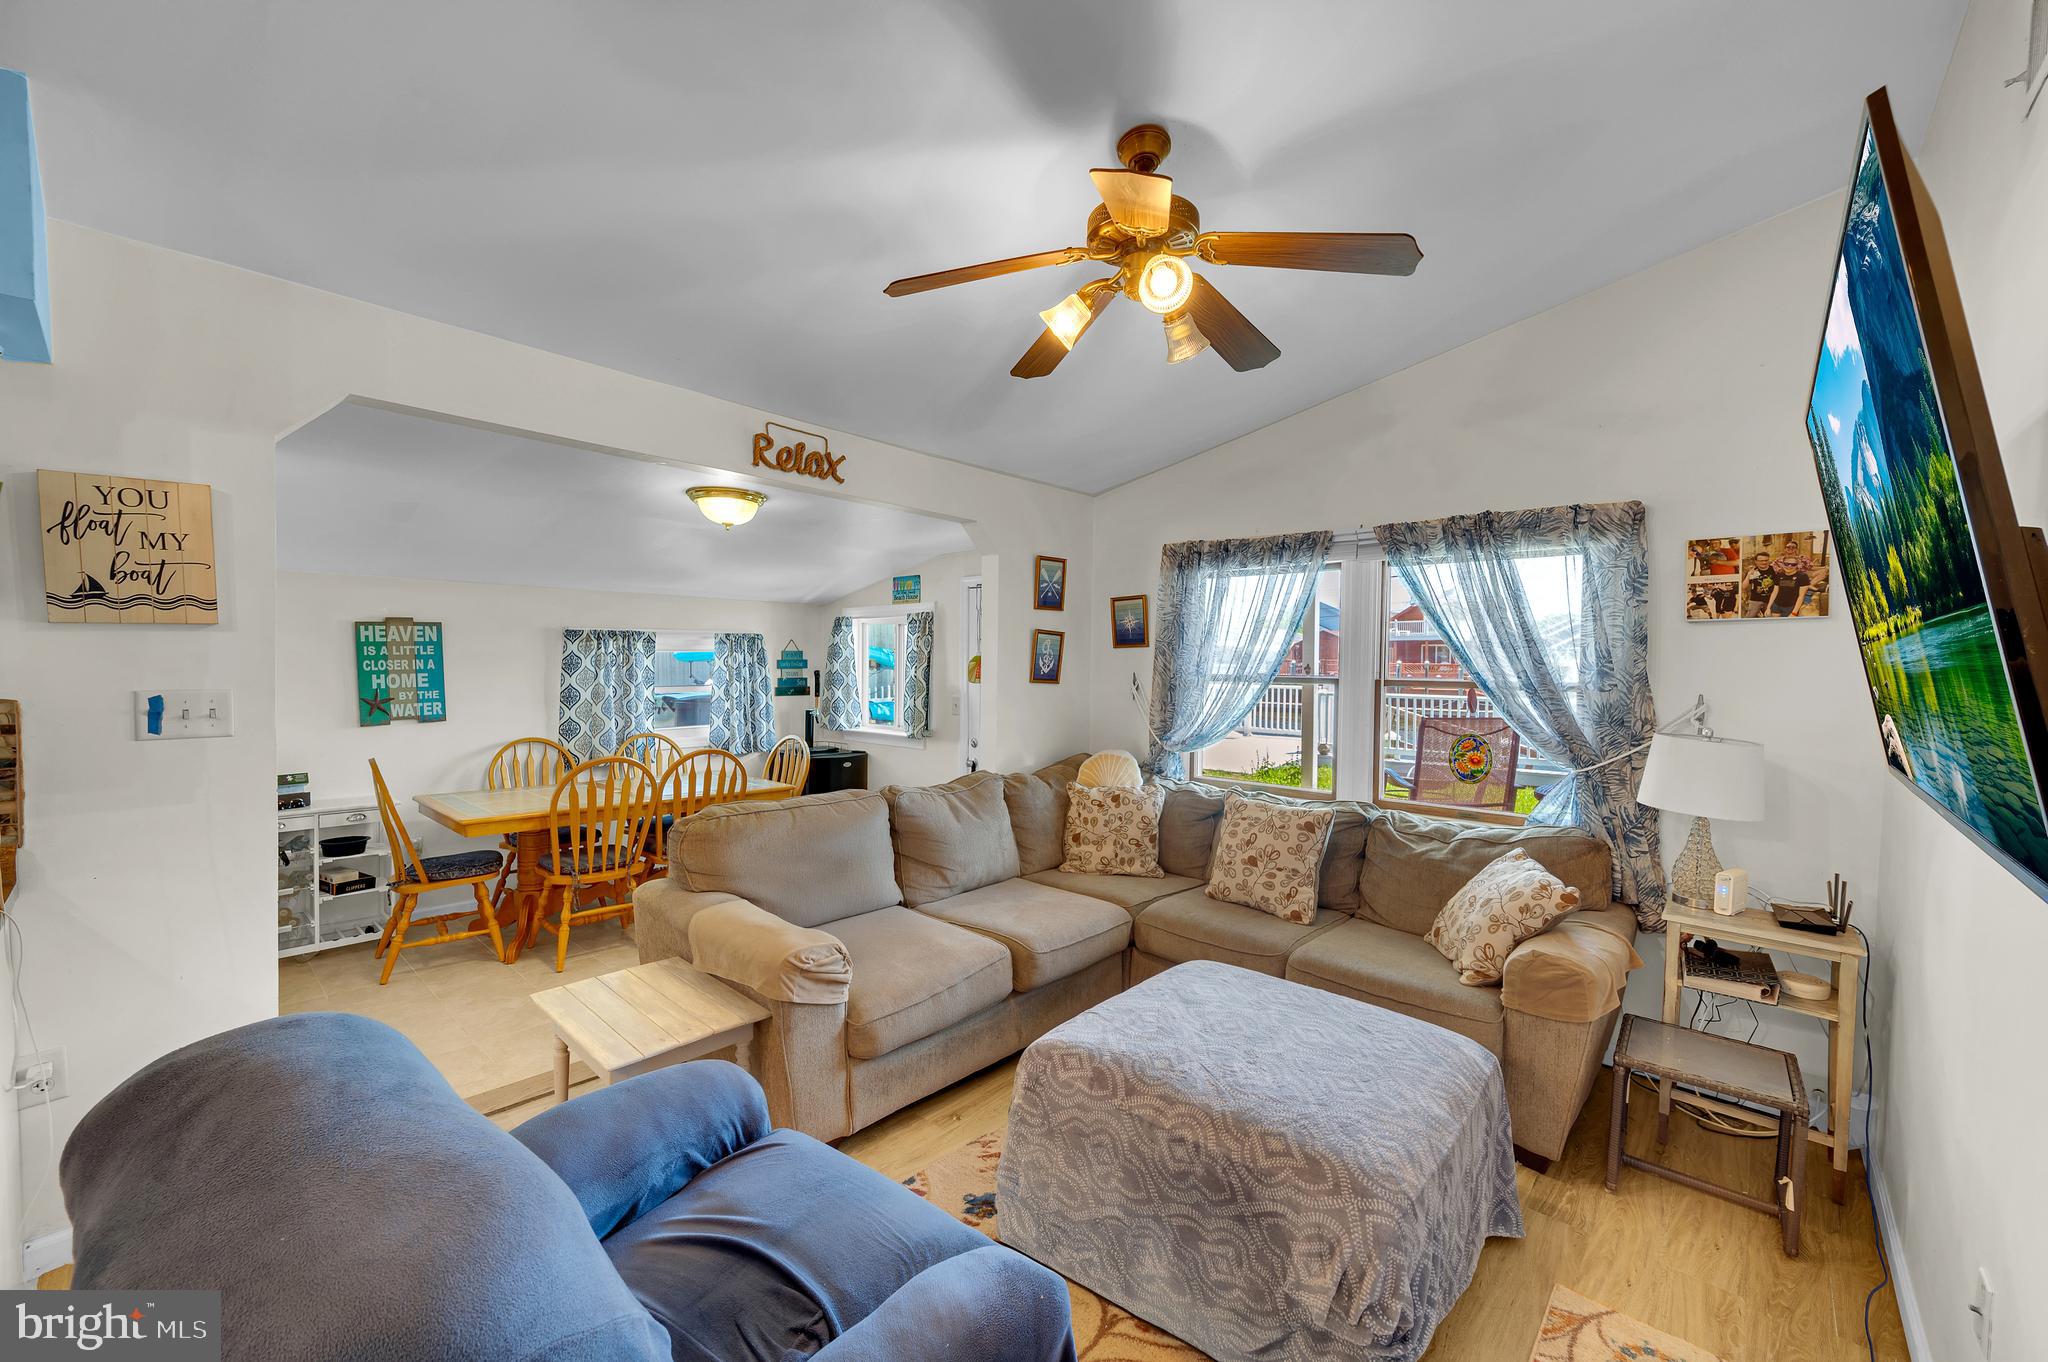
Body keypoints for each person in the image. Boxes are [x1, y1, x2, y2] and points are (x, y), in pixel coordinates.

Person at [1740, 552, 1777, 618]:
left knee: (1770, 619)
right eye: (1761, 561)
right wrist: (1748, 575)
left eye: (1766, 560)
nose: (1764, 562)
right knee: (1749, 618)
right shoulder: (1753, 571)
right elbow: (1743, 587)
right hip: (1755, 599)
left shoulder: (1774, 570)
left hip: (1770, 600)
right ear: (1756, 561)